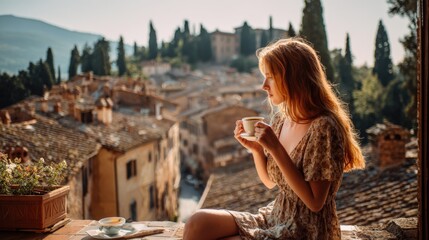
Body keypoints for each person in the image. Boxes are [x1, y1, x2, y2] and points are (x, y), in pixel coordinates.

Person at [183, 37, 365, 240]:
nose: (263, 85)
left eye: (270, 77)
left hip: (305, 229)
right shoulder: (281, 119)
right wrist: (257, 149)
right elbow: (270, 182)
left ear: (293, 78)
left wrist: (276, 148)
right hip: (275, 215)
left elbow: (315, 202)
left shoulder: (323, 127)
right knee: (197, 223)